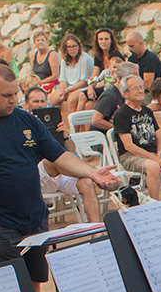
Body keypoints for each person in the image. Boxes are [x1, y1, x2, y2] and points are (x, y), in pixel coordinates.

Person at [0, 64, 119, 292]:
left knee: (35, 280)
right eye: (6, 95)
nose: (13, 100)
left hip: (35, 217)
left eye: (15, 94)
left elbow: (59, 155)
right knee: (11, 285)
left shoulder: (27, 121)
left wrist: (90, 172)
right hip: (0, 221)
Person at [23, 86, 102, 225]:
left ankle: (96, 231)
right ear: (26, 105)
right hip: (36, 176)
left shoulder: (53, 122)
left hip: (61, 175)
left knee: (86, 183)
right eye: (36, 102)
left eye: (43, 101)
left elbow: (71, 151)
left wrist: (65, 136)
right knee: (52, 159)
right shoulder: (22, 125)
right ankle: (95, 173)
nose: (40, 105)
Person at [113, 74, 161, 201]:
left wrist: (159, 153)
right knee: (153, 166)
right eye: (135, 88)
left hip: (153, 153)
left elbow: (159, 136)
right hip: (130, 156)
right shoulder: (121, 114)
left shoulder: (147, 111)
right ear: (125, 93)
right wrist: (154, 158)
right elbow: (129, 146)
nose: (140, 91)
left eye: (141, 87)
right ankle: (155, 204)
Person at [48, 33, 93, 118]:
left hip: (81, 87)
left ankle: (73, 127)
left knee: (71, 99)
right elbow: (63, 79)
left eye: (74, 46)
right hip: (68, 87)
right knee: (52, 98)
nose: (72, 49)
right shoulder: (64, 60)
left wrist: (68, 90)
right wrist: (62, 89)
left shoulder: (84, 59)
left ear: (78, 46)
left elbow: (84, 81)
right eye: (69, 47)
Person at [91, 61, 135, 133]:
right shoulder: (110, 96)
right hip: (102, 139)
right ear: (125, 78)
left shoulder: (126, 94)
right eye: (135, 77)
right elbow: (96, 121)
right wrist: (119, 128)